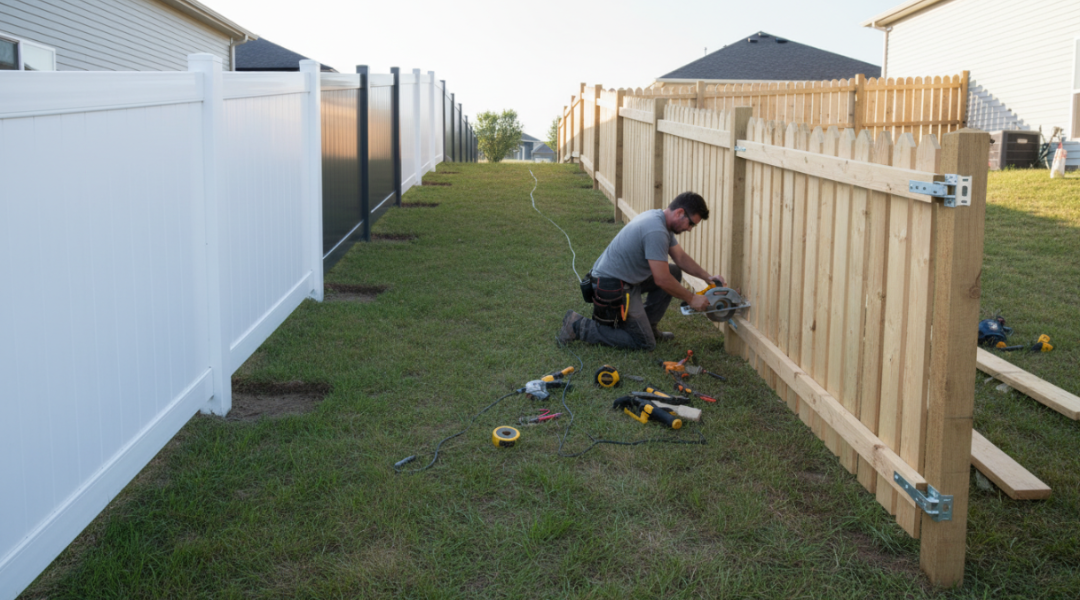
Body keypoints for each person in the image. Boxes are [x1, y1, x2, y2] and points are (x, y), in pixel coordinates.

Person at [558, 191, 726, 350]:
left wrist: (707, 277)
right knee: (644, 343)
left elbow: (680, 258)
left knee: (674, 271)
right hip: (612, 286)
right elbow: (661, 279)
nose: (689, 229)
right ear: (679, 212)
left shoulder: (660, 220)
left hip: (627, 280)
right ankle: (578, 326)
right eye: (691, 223)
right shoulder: (656, 230)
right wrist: (691, 298)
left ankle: (649, 326)